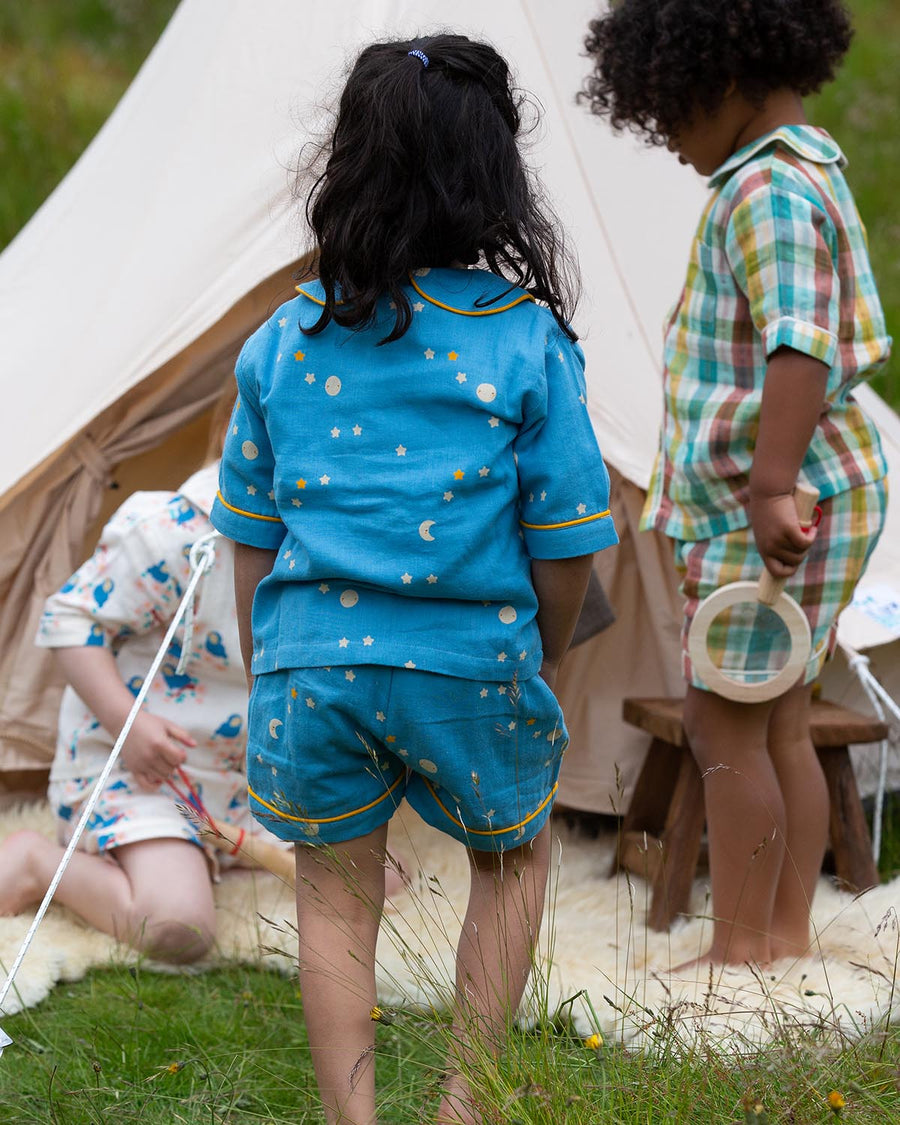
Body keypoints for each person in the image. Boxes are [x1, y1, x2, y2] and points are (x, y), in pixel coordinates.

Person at [210, 33, 618, 1125]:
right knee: (515, 856)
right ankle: (464, 1106)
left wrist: (270, 665)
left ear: (347, 164)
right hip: (469, 660)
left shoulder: (282, 342)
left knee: (335, 898)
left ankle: (357, 1121)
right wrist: (543, 644)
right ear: (497, 178)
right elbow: (570, 539)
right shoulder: (525, 342)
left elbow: (249, 534)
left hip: (312, 667)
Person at [582, 0, 889, 968]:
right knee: (778, 719)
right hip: (798, 492)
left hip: (778, 503)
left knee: (725, 724)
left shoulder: (768, 193)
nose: (667, 141)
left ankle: (743, 950)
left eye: (669, 113)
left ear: (722, 72)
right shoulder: (805, 170)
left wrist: (768, 488)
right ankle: (781, 936)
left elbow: (799, 344)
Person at [0, 393, 285, 963]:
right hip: (145, 773)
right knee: (177, 927)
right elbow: (71, 617)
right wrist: (127, 728)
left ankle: (218, 855)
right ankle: (36, 862)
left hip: (245, 782)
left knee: (384, 882)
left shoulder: (332, 541)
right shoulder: (176, 529)